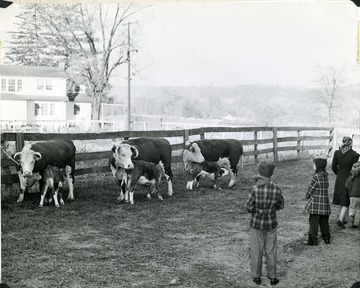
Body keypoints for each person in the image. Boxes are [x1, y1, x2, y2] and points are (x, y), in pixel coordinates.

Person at [245, 161, 284, 286]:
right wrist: (269, 209)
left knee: (256, 250)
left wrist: (259, 210)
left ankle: (256, 276)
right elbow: (281, 205)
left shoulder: (254, 189)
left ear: (259, 173)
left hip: (257, 224)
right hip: (271, 223)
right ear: (271, 175)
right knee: (271, 250)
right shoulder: (277, 189)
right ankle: (273, 276)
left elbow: (248, 207)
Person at [332, 136, 359, 228]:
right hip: (349, 179)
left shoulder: (336, 153)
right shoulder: (355, 155)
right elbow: (354, 169)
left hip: (339, 178)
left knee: (342, 199)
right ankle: (340, 220)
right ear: (351, 144)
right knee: (346, 201)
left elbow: (333, 167)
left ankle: (342, 218)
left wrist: (339, 174)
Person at [304, 157, 331, 245]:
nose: (313, 166)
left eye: (314, 164)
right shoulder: (325, 175)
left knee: (313, 223)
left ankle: (313, 240)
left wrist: (307, 196)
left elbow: (310, 189)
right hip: (325, 203)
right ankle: (326, 238)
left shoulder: (315, 176)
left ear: (318, 165)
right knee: (324, 222)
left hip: (316, 204)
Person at [345, 161, 360, 228]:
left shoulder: (350, 177)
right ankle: (355, 224)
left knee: (351, 209)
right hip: (359, 197)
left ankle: (351, 216)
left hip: (351, 196)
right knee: (358, 210)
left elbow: (346, 186)